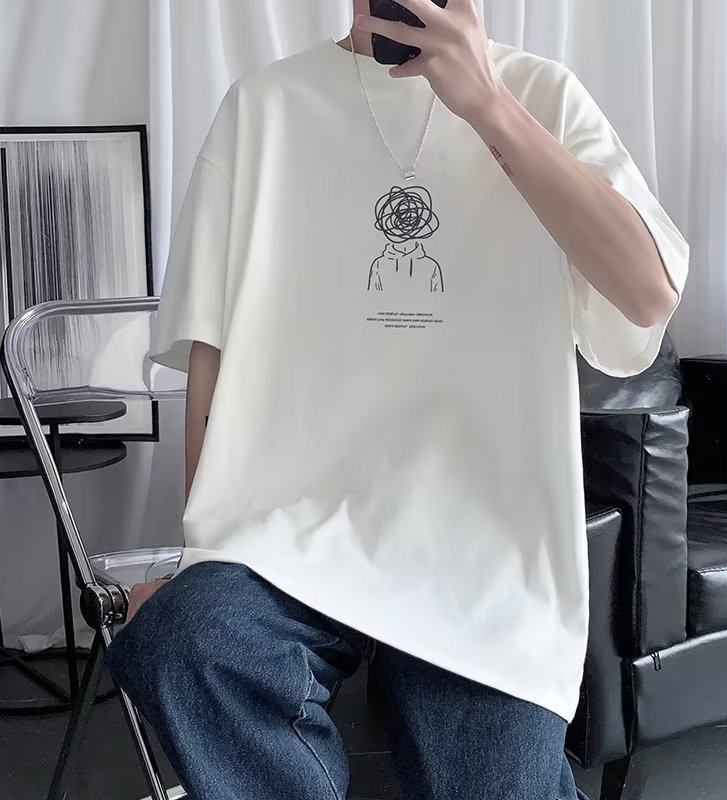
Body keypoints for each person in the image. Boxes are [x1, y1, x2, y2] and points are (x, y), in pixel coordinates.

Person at [104, 1, 689, 799]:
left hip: (485, 547)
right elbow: (212, 352)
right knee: (187, 642)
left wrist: (488, 105)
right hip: (289, 538)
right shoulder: (265, 106)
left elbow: (648, 292)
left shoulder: (541, 95)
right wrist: (197, 557)